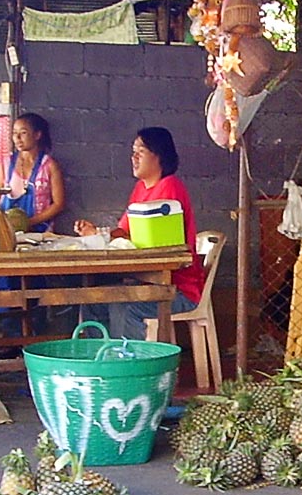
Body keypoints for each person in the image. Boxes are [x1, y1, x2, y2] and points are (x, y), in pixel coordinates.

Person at [74, 127, 205, 340]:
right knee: (94, 300)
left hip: (177, 289)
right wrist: (98, 234)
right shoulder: (140, 189)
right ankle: (99, 362)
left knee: (126, 308)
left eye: (141, 151)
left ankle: (125, 366)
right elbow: (124, 232)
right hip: (147, 281)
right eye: (133, 151)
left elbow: (155, 244)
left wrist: (107, 237)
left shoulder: (169, 188)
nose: (133, 157)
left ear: (159, 155)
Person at [0, 112, 65, 232]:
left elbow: (59, 204)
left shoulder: (49, 166)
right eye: (14, 133)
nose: (17, 138)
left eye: (23, 133)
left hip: (40, 233)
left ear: (37, 135)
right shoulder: (6, 164)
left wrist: (29, 222)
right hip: (7, 231)